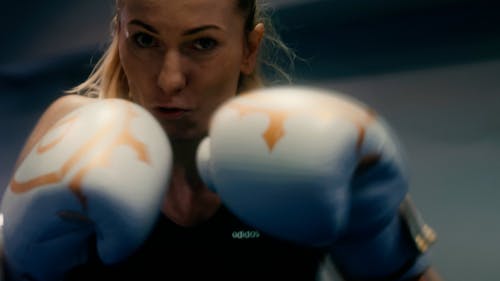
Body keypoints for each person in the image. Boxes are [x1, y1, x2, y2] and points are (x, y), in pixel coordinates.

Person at [0, 0, 444, 280]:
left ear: (249, 48)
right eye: (144, 39)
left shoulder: (309, 144)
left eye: (202, 45)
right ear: (119, 35)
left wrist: (373, 227)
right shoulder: (72, 132)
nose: (169, 79)